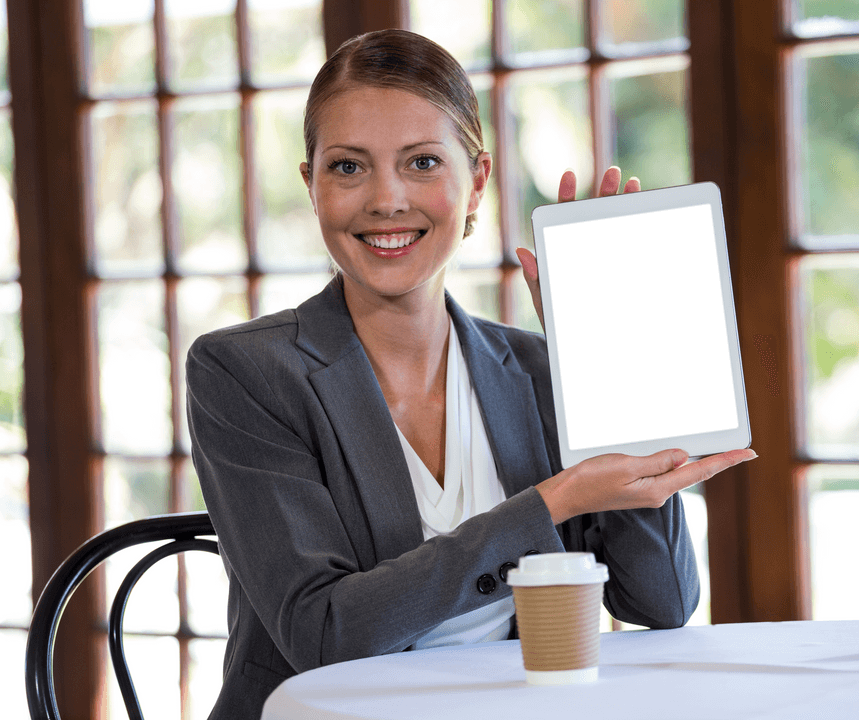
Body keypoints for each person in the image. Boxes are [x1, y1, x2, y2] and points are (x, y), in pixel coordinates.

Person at [186, 28, 756, 719]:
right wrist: (549, 504)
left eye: (422, 162)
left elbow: (660, 601)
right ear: (311, 186)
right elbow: (326, 632)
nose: (387, 199)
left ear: (477, 181)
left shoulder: (538, 369)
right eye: (347, 167)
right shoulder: (245, 371)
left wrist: (610, 364)